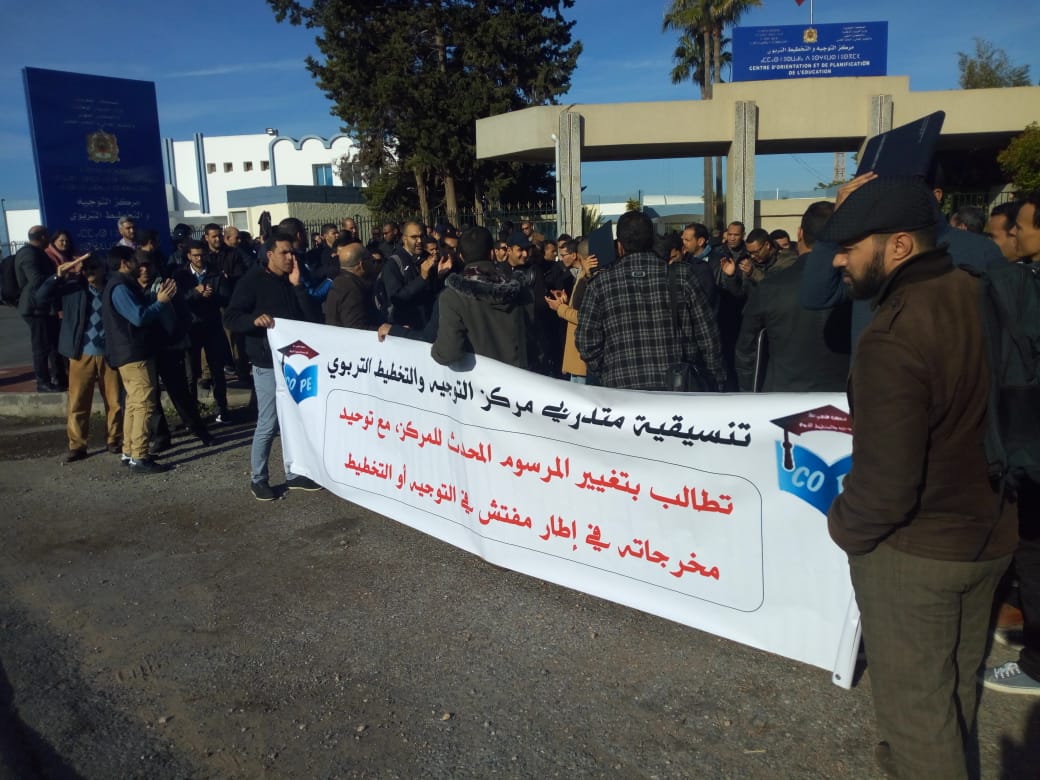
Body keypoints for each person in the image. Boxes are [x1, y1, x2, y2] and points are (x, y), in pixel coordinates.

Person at [823, 176, 1016, 778]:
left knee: (919, 727)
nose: (838, 261)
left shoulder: (894, 335)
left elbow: (886, 485)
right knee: (954, 697)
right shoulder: (978, 293)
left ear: (900, 245)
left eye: (850, 247)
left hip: (917, 555)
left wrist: (844, 529)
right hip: (988, 537)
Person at [982, 188, 1040, 697]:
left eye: (1020, 227)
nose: (1014, 236)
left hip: (1030, 443)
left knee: (1033, 547)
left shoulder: (1019, 288)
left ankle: (1036, 664)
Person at [575, 210, 725, 391]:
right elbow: (708, 335)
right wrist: (716, 381)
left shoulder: (600, 283)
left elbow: (586, 342)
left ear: (620, 245)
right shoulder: (682, 276)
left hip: (622, 389)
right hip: (677, 387)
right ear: (653, 240)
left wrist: (609, 371)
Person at [224, 233, 323, 501]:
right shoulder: (253, 281)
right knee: (268, 422)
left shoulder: (293, 279)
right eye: (285, 253)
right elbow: (231, 317)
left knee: (294, 418)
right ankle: (258, 478)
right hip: (267, 363)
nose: (291, 258)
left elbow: (310, 318)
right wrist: (253, 321)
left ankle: (295, 472)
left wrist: (298, 286)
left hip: (295, 361)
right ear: (270, 255)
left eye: (293, 253)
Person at [734, 202, 850, 392]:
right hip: (844, 398)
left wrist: (749, 394)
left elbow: (746, 350)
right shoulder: (860, 287)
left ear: (799, 234)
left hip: (783, 395)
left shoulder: (770, 287)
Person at [35, 253, 123, 461]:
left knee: (115, 401)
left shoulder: (113, 288)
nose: (89, 272)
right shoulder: (73, 289)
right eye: (85, 268)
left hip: (110, 353)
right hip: (80, 353)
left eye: (93, 267)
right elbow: (40, 299)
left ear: (102, 268)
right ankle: (77, 445)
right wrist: (57, 277)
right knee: (78, 401)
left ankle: (115, 439)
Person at [102, 246, 177, 474]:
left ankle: (130, 450)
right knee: (144, 403)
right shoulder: (120, 287)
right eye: (134, 260)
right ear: (125, 263)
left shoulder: (118, 285)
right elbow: (138, 317)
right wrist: (160, 301)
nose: (139, 265)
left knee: (134, 404)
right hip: (133, 353)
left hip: (127, 353)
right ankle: (140, 455)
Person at [429, 226, 527, 368]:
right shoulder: (519, 288)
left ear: (461, 256)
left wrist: (434, 350)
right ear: (492, 253)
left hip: (479, 377)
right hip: (518, 374)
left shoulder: (452, 297)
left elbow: (448, 353)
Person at [16, 225, 68, 392]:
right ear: (43, 237)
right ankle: (42, 381)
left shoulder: (37, 253)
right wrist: (57, 277)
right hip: (35, 308)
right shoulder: (28, 254)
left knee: (53, 344)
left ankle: (59, 378)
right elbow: (35, 280)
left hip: (45, 307)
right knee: (41, 346)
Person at [545, 238, 597, 383]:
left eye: (564, 255)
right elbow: (578, 306)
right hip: (576, 356)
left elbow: (584, 317)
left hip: (582, 357)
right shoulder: (582, 275)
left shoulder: (590, 279)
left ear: (578, 256)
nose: (561, 259)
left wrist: (560, 308)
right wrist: (566, 301)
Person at [325, 238, 380, 330]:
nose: (373, 263)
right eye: (371, 260)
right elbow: (356, 328)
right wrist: (388, 330)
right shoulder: (352, 289)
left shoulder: (340, 282)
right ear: (362, 264)